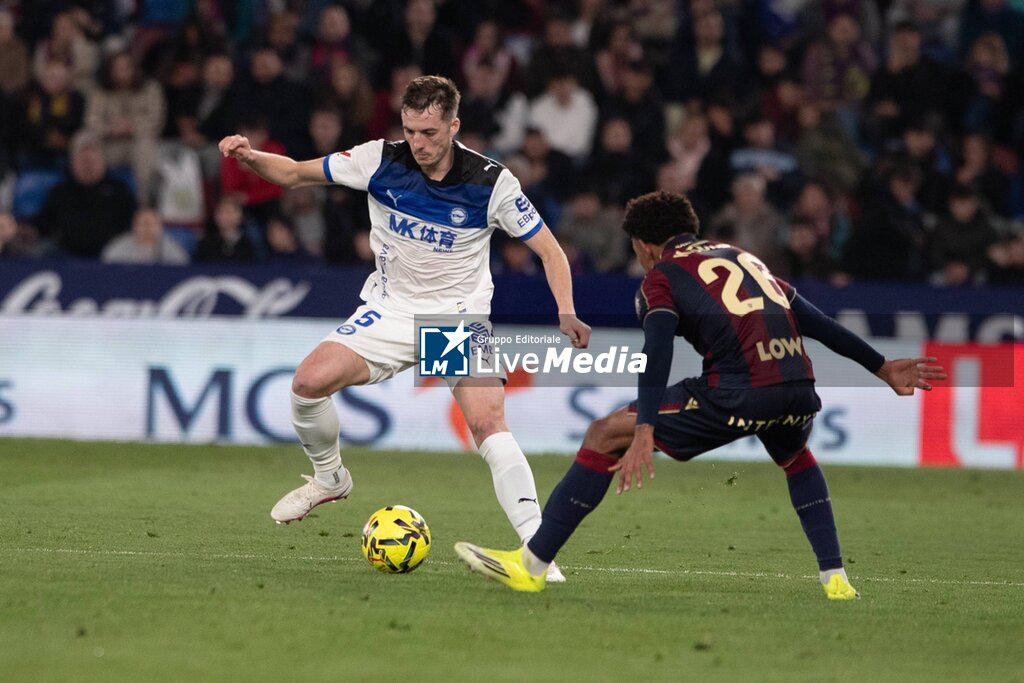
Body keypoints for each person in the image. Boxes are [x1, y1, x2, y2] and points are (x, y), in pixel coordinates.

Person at [455, 190, 946, 598]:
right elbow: (814, 321)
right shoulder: (741, 256)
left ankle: (532, 565)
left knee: (605, 433)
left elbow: (659, 348)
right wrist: (880, 366)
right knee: (795, 457)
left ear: (645, 245)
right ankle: (835, 579)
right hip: (797, 386)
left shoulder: (660, 277)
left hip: (738, 391)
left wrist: (645, 426)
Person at [218, 75, 591, 582]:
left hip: (454, 318)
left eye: (430, 133)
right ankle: (330, 478)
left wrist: (565, 310)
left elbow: (549, 249)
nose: (418, 143)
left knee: (488, 425)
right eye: (411, 130)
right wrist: (251, 156)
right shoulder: (380, 159)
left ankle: (538, 554)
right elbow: (294, 175)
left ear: (454, 126)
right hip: (390, 310)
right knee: (307, 383)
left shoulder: (491, 182)